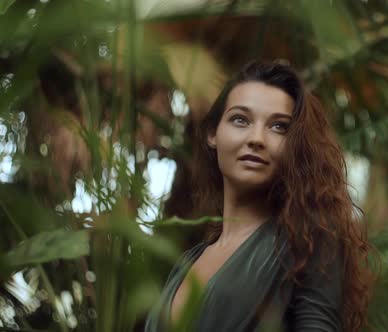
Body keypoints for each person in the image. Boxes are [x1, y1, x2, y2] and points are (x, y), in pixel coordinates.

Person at [144, 60, 374, 331]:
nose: (257, 138)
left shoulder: (308, 241)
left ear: (295, 146)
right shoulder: (187, 261)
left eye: (279, 127)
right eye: (240, 119)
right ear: (212, 134)